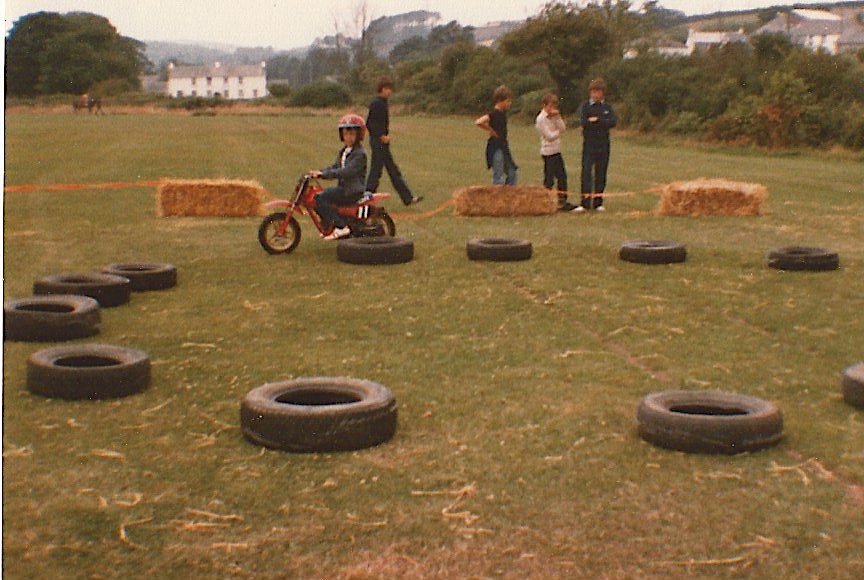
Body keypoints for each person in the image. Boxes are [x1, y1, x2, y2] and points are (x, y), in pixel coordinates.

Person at [309, 114, 368, 240]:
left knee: (320, 198)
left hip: (352, 191)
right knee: (318, 198)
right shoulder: (344, 151)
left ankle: (341, 227)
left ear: (359, 135)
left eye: (352, 134)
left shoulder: (360, 154)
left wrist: (324, 175)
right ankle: (329, 225)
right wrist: (319, 172)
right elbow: (335, 166)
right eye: (346, 134)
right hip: (344, 189)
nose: (348, 137)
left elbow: (345, 172)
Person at [365, 78, 422, 206]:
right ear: (382, 89)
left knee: (392, 171)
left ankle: (407, 198)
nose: (389, 92)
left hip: (382, 143)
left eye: (390, 89)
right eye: (387, 89)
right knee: (376, 172)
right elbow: (369, 123)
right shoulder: (377, 103)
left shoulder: (383, 103)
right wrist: (381, 136)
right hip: (378, 142)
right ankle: (366, 197)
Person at [575, 78, 617, 213]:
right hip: (589, 144)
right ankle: (585, 203)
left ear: (603, 93)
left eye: (597, 92)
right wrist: (593, 123)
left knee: (601, 174)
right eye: (593, 92)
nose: (595, 95)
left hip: (603, 145)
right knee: (586, 173)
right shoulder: (586, 106)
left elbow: (612, 122)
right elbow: (583, 122)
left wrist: (598, 121)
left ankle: (598, 202)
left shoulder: (607, 108)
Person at [535, 92, 573, 211]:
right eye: (550, 105)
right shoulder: (541, 119)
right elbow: (549, 136)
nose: (552, 108)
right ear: (545, 105)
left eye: (554, 106)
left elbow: (563, 128)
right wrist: (559, 133)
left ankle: (562, 201)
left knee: (562, 176)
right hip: (548, 152)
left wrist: (557, 117)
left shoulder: (554, 116)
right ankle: (544, 201)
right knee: (549, 178)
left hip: (556, 150)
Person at [475, 85, 518, 186]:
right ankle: (497, 198)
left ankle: (509, 196)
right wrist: (491, 130)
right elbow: (479, 122)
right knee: (499, 176)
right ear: (499, 100)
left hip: (503, 146)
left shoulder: (503, 113)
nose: (509, 103)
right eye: (507, 101)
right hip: (495, 147)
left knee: (512, 172)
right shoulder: (494, 113)